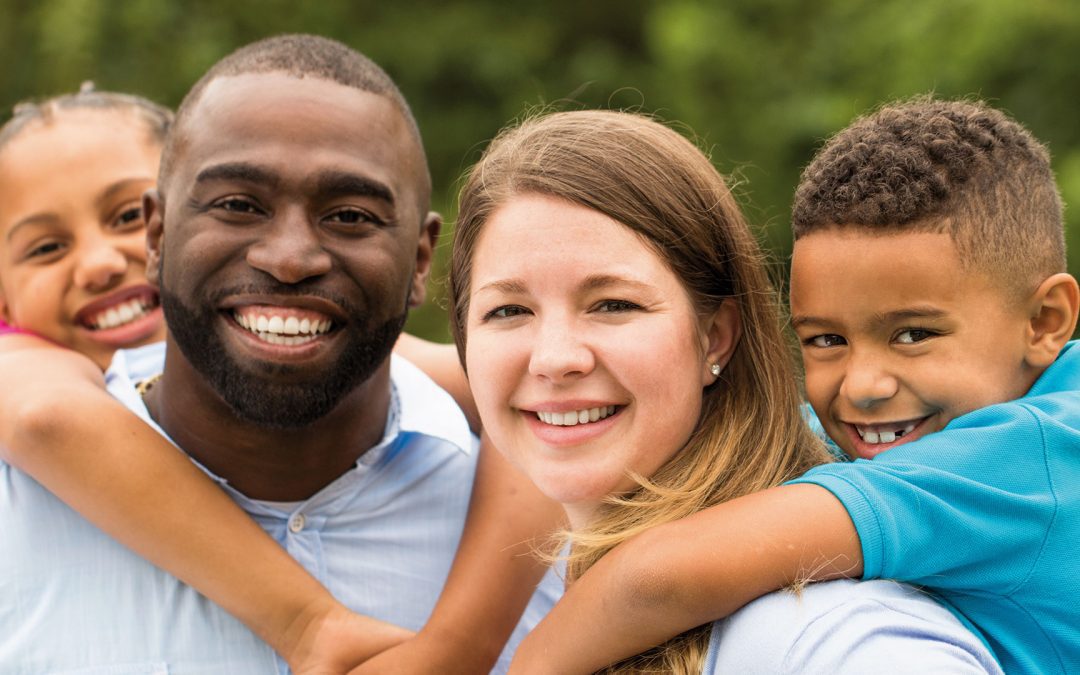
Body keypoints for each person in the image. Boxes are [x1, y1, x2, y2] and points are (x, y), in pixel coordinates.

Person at [0, 35, 560, 673]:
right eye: (238, 205)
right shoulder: (19, 480)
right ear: (159, 233)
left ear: (420, 260)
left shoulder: (572, 512)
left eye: (350, 215)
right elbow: (40, 414)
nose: (289, 260)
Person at [510, 99, 1080, 674]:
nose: (862, 387)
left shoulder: (1035, 453)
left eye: (912, 334)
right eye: (826, 340)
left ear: (1045, 321)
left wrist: (531, 666)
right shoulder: (930, 427)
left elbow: (660, 578)